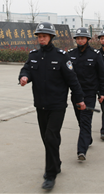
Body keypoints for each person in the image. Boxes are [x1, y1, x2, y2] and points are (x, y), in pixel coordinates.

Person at [19, 22, 86, 189]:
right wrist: (24, 77)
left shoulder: (61, 56)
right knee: (47, 138)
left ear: (50, 37)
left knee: (50, 137)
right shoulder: (33, 55)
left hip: (57, 105)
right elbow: (26, 69)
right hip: (40, 104)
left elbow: (73, 80)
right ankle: (56, 163)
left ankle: (50, 175)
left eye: (44, 36)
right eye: (39, 36)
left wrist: (80, 100)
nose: (41, 39)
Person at [68, 27, 104, 161]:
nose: (80, 41)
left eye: (82, 38)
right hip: (76, 94)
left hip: (89, 94)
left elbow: (102, 75)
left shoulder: (95, 55)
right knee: (81, 120)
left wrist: (102, 93)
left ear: (88, 39)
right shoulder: (70, 54)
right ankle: (88, 138)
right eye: (78, 38)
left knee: (86, 121)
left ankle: (81, 150)